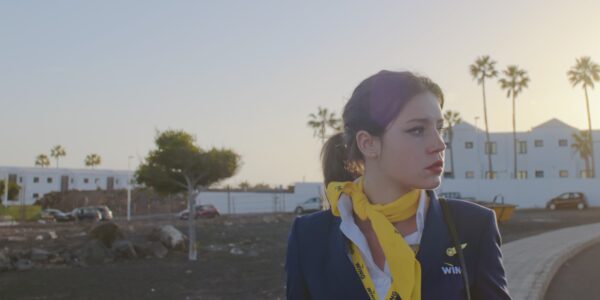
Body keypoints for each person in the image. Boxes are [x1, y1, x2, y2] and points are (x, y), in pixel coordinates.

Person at [285, 70, 511, 300]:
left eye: (439, 128)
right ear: (368, 143)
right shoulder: (309, 237)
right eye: (417, 130)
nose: (439, 144)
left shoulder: (473, 226)